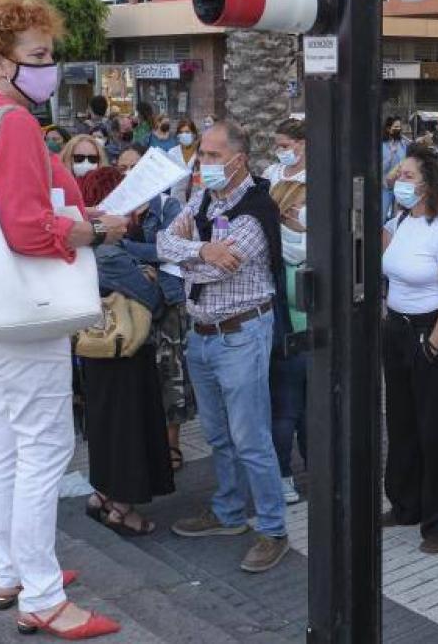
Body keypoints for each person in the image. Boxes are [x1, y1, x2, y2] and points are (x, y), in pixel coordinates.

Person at [0, 0, 126, 638]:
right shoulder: (13, 123)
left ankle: (12, 570)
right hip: (27, 310)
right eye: (39, 56)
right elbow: (27, 228)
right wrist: (97, 233)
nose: (50, 68)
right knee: (45, 445)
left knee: (8, 439)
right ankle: (42, 595)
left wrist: (78, 217)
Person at [157, 123, 291, 574]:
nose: (204, 162)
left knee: (251, 438)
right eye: (202, 154)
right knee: (218, 434)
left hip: (241, 335)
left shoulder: (256, 210)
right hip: (202, 335)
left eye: (214, 155)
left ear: (239, 160)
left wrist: (187, 256)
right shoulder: (203, 199)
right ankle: (229, 512)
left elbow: (215, 271)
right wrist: (202, 250)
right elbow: (162, 241)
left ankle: (272, 528)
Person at [76, 167, 175, 538]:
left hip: (96, 349)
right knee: (127, 429)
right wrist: (152, 277)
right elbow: (153, 300)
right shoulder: (109, 253)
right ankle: (121, 508)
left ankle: (102, 494)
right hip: (124, 350)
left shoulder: (86, 246)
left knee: (105, 426)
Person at [380, 143, 438, 554]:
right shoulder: (400, 221)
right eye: (398, 174)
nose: (399, 181)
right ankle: (406, 503)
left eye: (407, 176)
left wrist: (432, 348)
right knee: (402, 422)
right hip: (398, 330)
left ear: (428, 185)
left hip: (433, 332)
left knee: (437, 428)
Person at [115, 145, 189, 471]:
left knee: (170, 375)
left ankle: (172, 446)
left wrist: (124, 245)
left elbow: (169, 249)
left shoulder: (169, 206)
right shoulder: (114, 209)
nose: (128, 173)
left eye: (135, 166)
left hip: (166, 302)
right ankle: (145, 445)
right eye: (122, 168)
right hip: (127, 303)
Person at [264, 118, 309, 505]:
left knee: (308, 401)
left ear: (303, 144)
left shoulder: (320, 181)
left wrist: (289, 236)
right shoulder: (270, 175)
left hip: (309, 304)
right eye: (277, 145)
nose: (281, 151)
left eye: (285, 144)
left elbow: (310, 246)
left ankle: (318, 467)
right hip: (279, 306)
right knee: (285, 401)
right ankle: (282, 473)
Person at [382, 115, 408, 216]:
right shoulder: (382, 145)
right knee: (382, 215)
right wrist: (391, 155)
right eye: (396, 127)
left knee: (398, 216)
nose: (398, 129)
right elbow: (381, 168)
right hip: (385, 187)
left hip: (400, 186)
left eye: (400, 127)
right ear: (388, 129)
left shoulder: (403, 144)